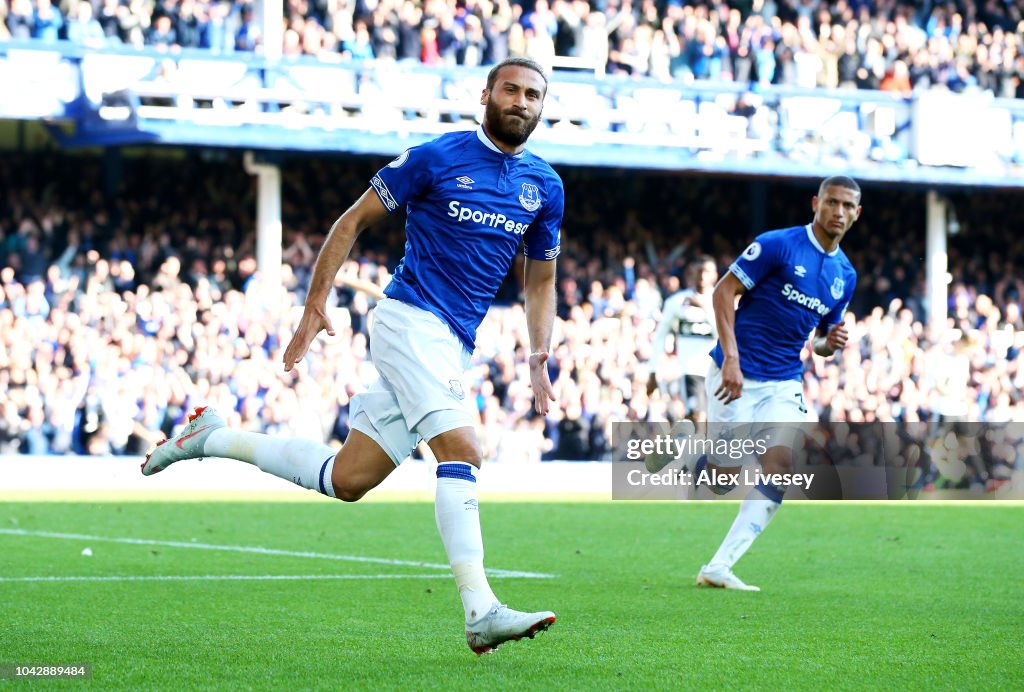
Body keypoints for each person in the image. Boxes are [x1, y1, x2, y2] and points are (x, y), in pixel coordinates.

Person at [142, 57, 564, 654]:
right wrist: (314, 304)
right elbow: (352, 221)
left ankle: (211, 439)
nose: (521, 101)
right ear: (486, 94)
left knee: (348, 479)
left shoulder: (545, 186)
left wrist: (539, 353)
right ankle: (481, 611)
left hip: (453, 342)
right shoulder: (435, 157)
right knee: (464, 450)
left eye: (533, 95)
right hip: (410, 319)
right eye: (511, 90)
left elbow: (540, 281)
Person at [694, 176, 860, 591]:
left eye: (847, 206)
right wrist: (731, 357)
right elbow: (722, 292)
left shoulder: (845, 275)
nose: (838, 212)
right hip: (736, 373)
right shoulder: (778, 244)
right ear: (815, 203)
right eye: (832, 203)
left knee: (781, 467)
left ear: (857, 214)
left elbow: (820, 340)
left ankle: (719, 567)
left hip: (784, 380)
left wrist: (828, 342)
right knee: (721, 480)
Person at [647, 254, 718, 421]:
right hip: (690, 371)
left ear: (715, 275)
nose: (702, 275)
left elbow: (726, 334)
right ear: (692, 273)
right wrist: (653, 370)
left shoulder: (721, 300)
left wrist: (705, 309)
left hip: (716, 370)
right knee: (696, 417)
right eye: (698, 271)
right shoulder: (676, 302)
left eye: (706, 271)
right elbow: (661, 335)